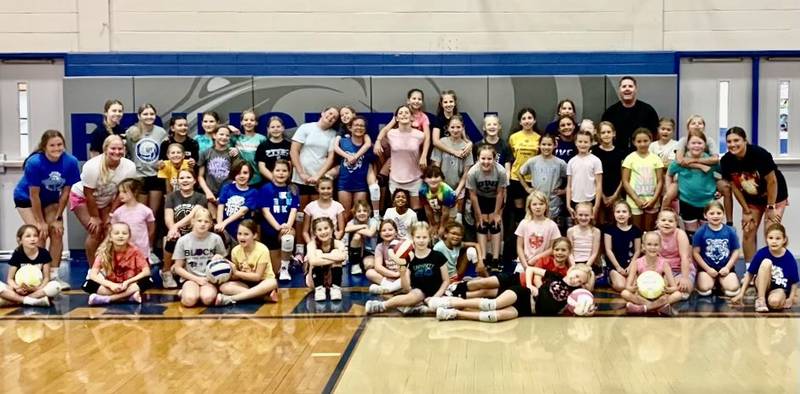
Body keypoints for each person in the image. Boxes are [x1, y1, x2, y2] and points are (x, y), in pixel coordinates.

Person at [13, 130, 80, 289]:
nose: (56, 148)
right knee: (39, 233)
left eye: (59, 145)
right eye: (52, 145)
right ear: (44, 147)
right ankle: (36, 274)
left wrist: (57, 218)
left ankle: (54, 275)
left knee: (57, 232)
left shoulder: (70, 162)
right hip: (26, 199)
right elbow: (34, 195)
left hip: (50, 200)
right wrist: (40, 221)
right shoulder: (35, 162)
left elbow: (65, 193)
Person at [429, 264, 594, 322]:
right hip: (523, 294)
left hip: (527, 311)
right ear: (571, 270)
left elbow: (584, 301)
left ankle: (453, 314)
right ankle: (449, 302)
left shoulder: (575, 294)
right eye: (577, 275)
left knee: (493, 317)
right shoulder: (555, 276)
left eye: (580, 281)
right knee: (492, 304)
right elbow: (531, 268)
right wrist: (530, 285)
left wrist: (586, 311)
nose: (576, 280)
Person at [720, 126, 789, 263]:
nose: (733, 145)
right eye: (729, 142)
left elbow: (772, 181)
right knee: (748, 230)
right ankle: (750, 271)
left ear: (745, 140)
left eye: (736, 140)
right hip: (752, 199)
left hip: (775, 196)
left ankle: (773, 270)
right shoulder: (726, 161)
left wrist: (770, 207)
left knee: (771, 232)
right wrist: (746, 210)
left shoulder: (759, 154)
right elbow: (735, 187)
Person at [70, 135, 137, 268]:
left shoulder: (129, 166)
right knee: (95, 231)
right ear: (105, 149)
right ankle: (92, 270)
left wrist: (111, 213)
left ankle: (107, 267)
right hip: (82, 198)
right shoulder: (92, 166)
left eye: (120, 149)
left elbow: (121, 192)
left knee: (109, 230)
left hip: (106, 200)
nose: (117, 152)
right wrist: (95, 217)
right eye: (113, 148)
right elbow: (89, 194)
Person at [365, 222, 450, 315]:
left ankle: (419, 309)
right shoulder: (409, 259)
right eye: (418, 237)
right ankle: (382, 306)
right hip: (418, 292)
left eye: (424, 237)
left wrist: (436, 297)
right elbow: (406, 287)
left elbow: (446, 281)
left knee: (450, 304)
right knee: (415, 296)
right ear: (413, 238)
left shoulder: (438, 256)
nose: (421, 241)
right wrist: (402, 270)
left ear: (429, 238)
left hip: (438, 292)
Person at [447, 237, 573, 299]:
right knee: (485, 282)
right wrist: (538, 290)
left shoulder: (567, 271)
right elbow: (537, 278)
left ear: (569, 252)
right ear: (553, 251)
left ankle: (460, 296)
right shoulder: (545, 260)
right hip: (519, 279)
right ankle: (458, 287)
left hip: (521, 291)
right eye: (557, 250)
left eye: (563, 250)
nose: (560, 253)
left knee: (488, 293)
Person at [290, 107, 339, 259]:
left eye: (335, 117)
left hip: (319, 181)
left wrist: (319, 176)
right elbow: (294, 151)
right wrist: (301, 173)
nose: (331, 117)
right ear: (322, 113)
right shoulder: (306, 128)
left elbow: (330, 158)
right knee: (300, 216)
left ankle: (317, 248)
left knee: (317, 216)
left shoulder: (332, 135)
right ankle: (299, 250)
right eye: (330, 113)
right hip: (300, 180)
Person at [731, 223, 798, 312]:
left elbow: (794, 281)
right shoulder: (761, 253)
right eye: (770, 238)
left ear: (784, 240)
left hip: (779, 288)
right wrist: (741, 293)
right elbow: (749, 274)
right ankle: (761, 299)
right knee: (766, 262)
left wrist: (790, 299)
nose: (774, 241)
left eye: (778, 238)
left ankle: (768, 298)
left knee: (774, 302)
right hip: (762, 284)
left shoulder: (789, 257)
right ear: (766, 239)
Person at [83, 222, 153, 305]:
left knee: (148, 281)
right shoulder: (104, 251)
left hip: (129, 285)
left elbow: (146, 271)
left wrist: (127, 282)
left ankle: (108, 299)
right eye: (116, 233)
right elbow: (93, 274)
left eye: (124, 233)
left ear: (129, 237)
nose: (120, 236)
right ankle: (129, 297)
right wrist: (111, 285)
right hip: (112, 286)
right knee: (88, 284)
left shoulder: (135, 251)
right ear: (110, 237)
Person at [667, 131, 720, 237]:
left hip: (707, 203)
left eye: (699, 143)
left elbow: (723, 176)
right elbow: (669, 174)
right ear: (687, 145)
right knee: (692, 237)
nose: (696, 146)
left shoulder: (712, 162)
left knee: (707, 236)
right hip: (687, 202)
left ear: (705, 145)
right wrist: (670, 190)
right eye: (693, 143)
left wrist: (719, 190)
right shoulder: (680, 162)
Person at [172, 207, 227, 307]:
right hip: (190, 279)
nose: (202, 224)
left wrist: (220, 258)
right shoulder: (183, 240)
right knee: (190, 300)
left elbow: (225, 262)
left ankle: (199, 293)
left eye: (206, 221)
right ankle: (184, 293)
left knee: (207, 299)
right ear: (192, 221)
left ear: (211, 224)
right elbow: (178, 268)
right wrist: (196, 279)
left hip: (209, 279)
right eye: (199, 221)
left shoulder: (216, 239)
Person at [466, 144, 509, 272]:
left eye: (489, 159)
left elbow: (501, 193)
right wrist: (479, 216)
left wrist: (497, 214)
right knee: (482, 226)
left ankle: (496, 259)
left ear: (494, 159)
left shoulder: (500, 171)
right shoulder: (473, 172)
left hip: (495, 198)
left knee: (495, 225)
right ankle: (484, 258)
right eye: (483, 158)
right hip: (480, 199)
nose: (486, 162)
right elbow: (473, 196)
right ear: (478, 158)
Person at [216, 220, 279, 305]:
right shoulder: (235, 251)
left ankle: (230, 298)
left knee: (273, 282)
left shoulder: (262, 249)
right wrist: (224, 263)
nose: (242, 237)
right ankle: (263, 297)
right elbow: (236, 276)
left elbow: (257, 277)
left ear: (255, 235)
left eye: (246, 234)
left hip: (262, 282)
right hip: (246, 283)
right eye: (239, 234)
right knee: (224, 287)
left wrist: (237, 273)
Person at [162, 169, 207, 289]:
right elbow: (168, 217)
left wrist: (175, 226)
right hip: (178, 234)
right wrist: (173, 229)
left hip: (195, 234)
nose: (185, 180)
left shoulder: (201, 197)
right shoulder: (171, 197)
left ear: (194, 181)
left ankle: (183, 269)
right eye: (182, 178)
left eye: (188, 177)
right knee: (171, 237)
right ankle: (166, 272)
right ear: (177, 181)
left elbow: (191, 216)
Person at [621, 231, 682, 316]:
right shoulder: (637, 263)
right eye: (649, 244)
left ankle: (643, 308)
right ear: (643, 246)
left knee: (678, 295)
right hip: (642, 296)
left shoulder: (664, 263)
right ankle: (659, 308)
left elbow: (674, 287)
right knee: (624, 293)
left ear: (660, 247)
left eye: (656, 245)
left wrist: (668, 289)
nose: (652, 248)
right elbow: (627, 286)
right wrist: (633, 288)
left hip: (659, 296)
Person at [377, 104, 426, 210]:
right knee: (396, 211)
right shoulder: (390, 134)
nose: (404, 115)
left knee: (416, 212)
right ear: (397, 118)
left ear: (412, 117)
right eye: (400, 113)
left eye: (406, 113)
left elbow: (425, 149)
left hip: (415, 178)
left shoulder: (420, 135)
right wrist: (378, 141)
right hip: (395, 179)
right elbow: (384, 131)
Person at [0, 225, 61, 307]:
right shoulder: (18, 254)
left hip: (37, 290)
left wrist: (37, 288)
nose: (32, 239)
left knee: (55, 286)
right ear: (20, 240)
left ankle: (17, 300)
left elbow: (47, 278)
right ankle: (32, 301)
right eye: (28, 236)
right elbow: (10, 279)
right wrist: (17, 288)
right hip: (19, 290)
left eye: (35, 235)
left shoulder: (44, 253)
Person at [125, 103, 168, 219]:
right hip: (139, 177)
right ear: (139, 116)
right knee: (140, 214)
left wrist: (162, 161)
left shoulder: (161, 132)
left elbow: (166, 152)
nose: (149, 116)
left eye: (152, 114)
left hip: (155, 176)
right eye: (145, 114)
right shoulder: (131, 132)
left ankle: (151, 238)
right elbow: (127, 152)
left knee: (152, 215)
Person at [258, 159, 298, 281]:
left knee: (288, 237)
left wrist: (287, 227)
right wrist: (277, 227)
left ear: (289, 172)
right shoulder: (266, 188)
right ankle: (287, 258)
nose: (281, 173)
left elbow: (293, 210)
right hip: (270, 230)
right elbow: (265, 211)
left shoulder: (293, 189)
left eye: (284, 171)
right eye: (278, 170)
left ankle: (285, 268)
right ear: (272, 171)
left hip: (286, 229)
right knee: (275, 272)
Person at [692, 201, 741, 297]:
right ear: (705, 215)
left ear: (723, 214)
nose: (715, 216)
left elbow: (736, 251)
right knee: (705, 289)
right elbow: (695, 253)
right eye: (711, 213)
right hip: (707, 268)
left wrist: (727, 267)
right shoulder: (700, 232)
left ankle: (720, 283)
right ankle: (711, 281)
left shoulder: (730, 231)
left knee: (733, 289)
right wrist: (708, 269)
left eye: (719, 213)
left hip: (725, 267)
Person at [431, 115, 474, 222]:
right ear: (448, 128)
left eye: (458, 127)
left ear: (463, 128)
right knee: (439, 219)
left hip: (458, 189)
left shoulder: (467, 147)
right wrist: (440, 188)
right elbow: (436, 168)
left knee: (455, 221)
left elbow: (466, 174)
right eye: (453, 127)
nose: (455, 130)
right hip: (441, 187)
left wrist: (457, 191)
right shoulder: (442, 142)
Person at [333, 115, 375, 221]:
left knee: (360, 216)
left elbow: (373, 163)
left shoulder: (368, 145)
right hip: (344, 184)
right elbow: (334, 159)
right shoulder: (342, 142)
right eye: (356, 125)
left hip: (361, 186)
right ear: (350, 128)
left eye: (362, 126)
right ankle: (345, 237)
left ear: (365, 129)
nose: (359, 128)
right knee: (345, 215)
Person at [601, 76, 659, 150]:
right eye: (624, 86)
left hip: (642, 154)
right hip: (616, 155)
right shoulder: (610, 113)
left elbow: (655, 136)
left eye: (630, 86)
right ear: (619, 90)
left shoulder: (648, 111)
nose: (627, 89)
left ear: (635, 89)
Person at [622, 128, 664, 231]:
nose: (642, 144)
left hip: (651, 200)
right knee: (636, 230)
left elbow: (660, 181)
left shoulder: (656, 159)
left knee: (649, 230)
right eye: (639, 141)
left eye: (645, 141)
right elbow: (625, 181)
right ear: (634, 142)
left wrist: (654, 200)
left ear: (650, 140)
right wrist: (636, 199)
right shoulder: (630, 158)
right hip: (634, 201)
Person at [519, 134, 566, 222]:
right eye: (544, 144)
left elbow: (571, 177)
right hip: (536, 200)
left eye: (549, 144)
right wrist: (527, 188)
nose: (546, 147)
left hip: (552, 201)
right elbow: (520, 173)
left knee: (550, 226)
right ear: (539, 145)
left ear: (555, 145)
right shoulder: (533, 161)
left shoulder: (560, 163)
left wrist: (564, 190)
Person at [508, 108, 542, 225]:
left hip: (533, 179)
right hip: (516, 177)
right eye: (524, 118)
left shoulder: (539, 138)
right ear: (520, 122)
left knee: (533, 207)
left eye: (529, 118)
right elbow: (512, 156)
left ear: (534, 120)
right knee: (519, 209)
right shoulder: (513, 137)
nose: (527, 121)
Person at [515, 191, 562, 272]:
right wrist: (525, 265)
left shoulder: (552, 225)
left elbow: (553, 248)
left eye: (541, 204)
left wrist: (536, 258)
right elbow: (519, 247)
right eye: (534, 204)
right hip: (525, 262)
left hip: (544, 264)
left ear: (546, 206)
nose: (538, 207)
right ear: (529, 206)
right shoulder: (524, 223)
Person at [109, 179, 155, 260]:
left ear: (135, 192)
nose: (121, 195)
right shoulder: (118, 212)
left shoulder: (146, 211)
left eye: (124, 192)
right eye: (120, 192)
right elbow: (112, 229)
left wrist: (144, 241)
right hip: (123, 249)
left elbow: (151, 229)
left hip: (142, 250)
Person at [591, 121, 626, 226]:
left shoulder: (621, 153)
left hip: (616, 193)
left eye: (608, 132)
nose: (606, 135)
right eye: (603, 132)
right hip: (598, 194)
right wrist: (602, 195)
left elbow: (623, 177)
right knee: (599, 223)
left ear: (614, 133)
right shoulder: (594, 151)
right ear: (599, 135)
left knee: (614, 223)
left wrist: (615, 195)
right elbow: (592, 175)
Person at [656, 209, 695, 299]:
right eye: (663, 220)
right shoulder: (655, 235)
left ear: (676, 223)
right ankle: (662, 302)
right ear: (657, 222)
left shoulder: (680, 234)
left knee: (684, 289)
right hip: (662, 271)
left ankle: (664, 301)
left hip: (680, 270)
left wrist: (684, 278)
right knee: (656, 289)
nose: (667, 223)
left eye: (670, 221)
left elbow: (684, 257)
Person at [198, 124, 235, 218]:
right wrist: (207, 192)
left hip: (227, 194)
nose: (224, 137)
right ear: (214, 135)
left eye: (227, 135)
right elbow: (200, 176)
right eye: (221, 134)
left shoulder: (232, 153)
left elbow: (236, 176)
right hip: (210, 194)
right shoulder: (205, 153)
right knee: (213, 218)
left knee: (225, 219)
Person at [215, 160, 258, 243]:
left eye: (245, 173)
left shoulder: (253, 192)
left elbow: (242, 211)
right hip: (226, 230)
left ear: (250, 175)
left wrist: (224, 223)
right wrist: (220, 224)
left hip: (243, 233)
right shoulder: (227, 188)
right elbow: (220, 207)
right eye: (238, 173)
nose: (241, 176)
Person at [306, 217, 347, 302]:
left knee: (335, 252)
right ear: (315, 233)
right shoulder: (311, 244)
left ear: (332, 229)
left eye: (326, 228)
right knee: (318, 253)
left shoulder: (338, 243)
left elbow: (343, 257)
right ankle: (319, 289)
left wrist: (323, 256)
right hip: (313, 280)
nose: (323, 232)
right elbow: (313, 261)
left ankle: (335, 288)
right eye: (319, 230)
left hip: (331, 277)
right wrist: (333, 258)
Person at [604, 201, 642, 292]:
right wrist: (618, 267)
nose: (621, 214)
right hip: (615, 265)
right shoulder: (609, 230)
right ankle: (611, 278)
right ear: (614, 214)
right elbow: (608, 250)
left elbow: (637, 251)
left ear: (629, 214)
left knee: (635, 286)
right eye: (618, 212)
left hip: (630, 264)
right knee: (621, 286)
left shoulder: (635, 230)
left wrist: (631, 267)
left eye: (624, 212)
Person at [566, 131, 603, 219]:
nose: (583, 144)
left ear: (591, 143)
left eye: (586, 142)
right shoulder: (571, 161)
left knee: (591, 226)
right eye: (580, 142)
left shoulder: (595, 160)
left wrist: (596, 205)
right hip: (575, 200)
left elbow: (599, 184)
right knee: (577, 227)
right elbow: (569, 185)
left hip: (590, 200)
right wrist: (568, 204)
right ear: (575, 143)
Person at [301, 176, 345, 243]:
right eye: (323, 188)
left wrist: (335, 242)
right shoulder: (310, 207)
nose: (326, 191)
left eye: (328, 188)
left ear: (333, 189)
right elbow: (305, 232)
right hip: (315, 243)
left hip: (332, 242)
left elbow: (341, 230)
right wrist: (310, 244)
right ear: (317, 189)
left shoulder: (338, 206)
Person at [365, 220, 404, 294]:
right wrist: (394, 274)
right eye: (384, 230)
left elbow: (408, 264)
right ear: (380, 234)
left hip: (402, 275)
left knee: (409, 274)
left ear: (396, 232)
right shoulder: (380, 246)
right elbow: (378, 266)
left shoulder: (403, 244)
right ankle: (394, 287)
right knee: (369, 272)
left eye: (390, 230)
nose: (387, 232)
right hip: (388, 275)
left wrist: (400, 273)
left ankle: (387, 289)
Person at [420, 166, 456, 240]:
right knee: (433, 232)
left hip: (449, 209)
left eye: (436, 177)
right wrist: (433, 224)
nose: (433, 180)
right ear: (424, 179)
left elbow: (445, 212)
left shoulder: (447, 191)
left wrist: (442, 226)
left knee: (446, 230)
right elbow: (427, 210)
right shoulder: (422, 190)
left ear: (442, 178)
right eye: (429, 177)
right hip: (435, 208)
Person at [343, 200, 379, 276]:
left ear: (369, 213)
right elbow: (346, 229)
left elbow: (370, 233)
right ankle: (355, 264)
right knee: (357, 237)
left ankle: (363, 263)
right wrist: (363, 226)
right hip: (356, 248)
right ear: (355, 214)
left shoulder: (373, 221)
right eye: (359, 211)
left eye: (365, 211)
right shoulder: (352, 222)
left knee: (369, 265)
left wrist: (358, 230)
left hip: (370, 251)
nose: (362, 213)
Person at [232, 109, 267, 186]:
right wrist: (229, 127)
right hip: (240, 179)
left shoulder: (262, 139)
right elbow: (218, 132)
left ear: (256, 123)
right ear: (241, 122)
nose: (249, 122)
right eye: (246, 120)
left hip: (257, 180)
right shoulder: (236, 138)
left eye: (252, 120)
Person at [567, 202, 601, 268]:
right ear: (576, 215)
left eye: (586, 215)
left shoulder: (596, 231)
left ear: (591, 215)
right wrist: (574, 266)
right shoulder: (571, 231)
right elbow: (570, 252)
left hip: (590, 263)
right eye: (580, 215)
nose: (583, 218)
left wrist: (586, 267)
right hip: (574, 263)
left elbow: (594, 253)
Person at [432, 90, 465, 158]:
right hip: (442, 153)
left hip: (457, 151)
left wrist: (470, 144)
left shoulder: (459, 118)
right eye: (445, 102)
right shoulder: (438, 120)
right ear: (441, 104)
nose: (448, 104)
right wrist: (453, 152)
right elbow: (435, 141)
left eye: (451, 101)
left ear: (455, 103)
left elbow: (464, 138)